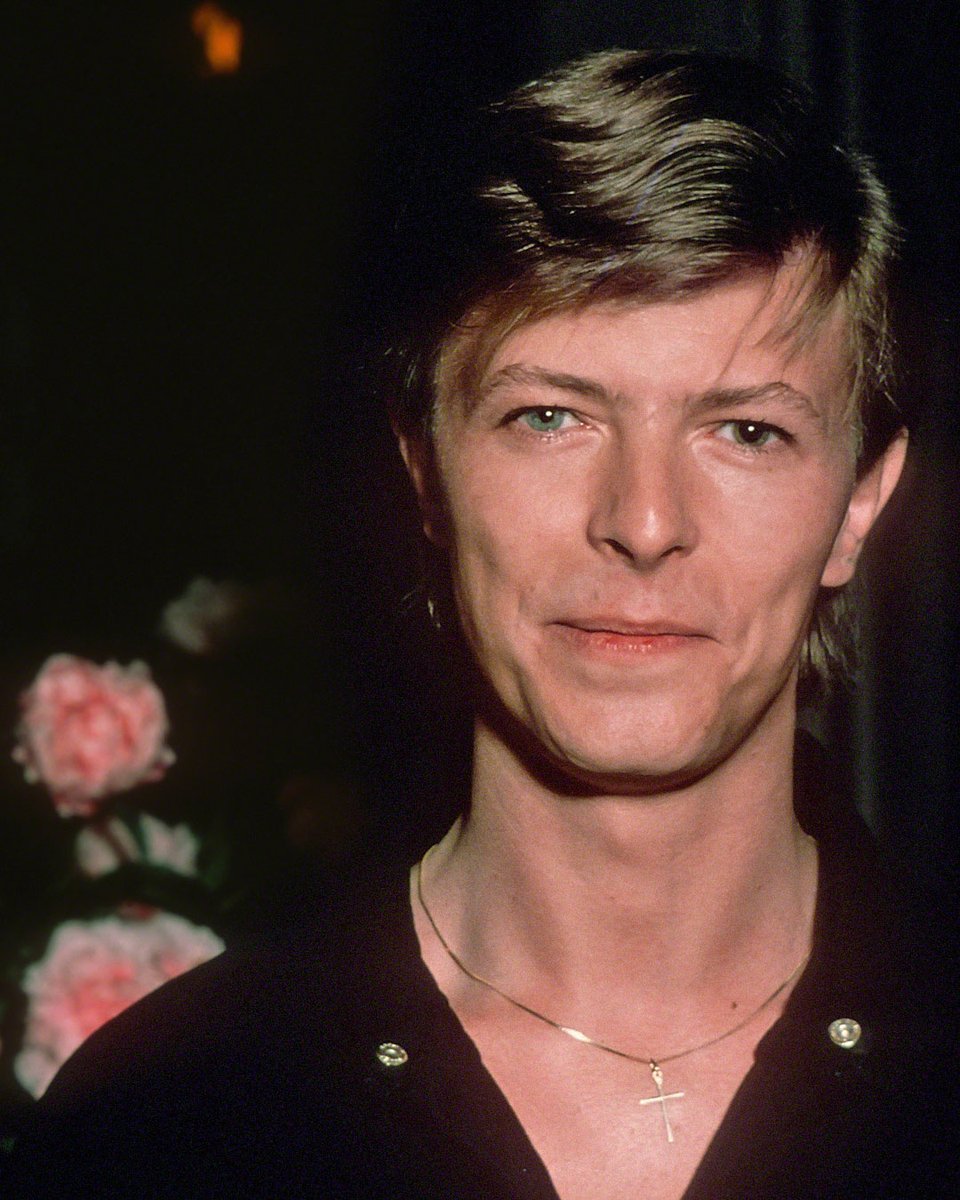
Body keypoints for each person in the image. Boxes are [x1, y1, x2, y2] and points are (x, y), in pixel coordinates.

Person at [4, 47, 958, 1200]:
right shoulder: (165, 1128)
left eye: (746, 431)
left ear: (860, 504)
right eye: (549, 416)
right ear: (427, 477)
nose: (644, 522)